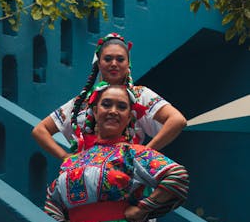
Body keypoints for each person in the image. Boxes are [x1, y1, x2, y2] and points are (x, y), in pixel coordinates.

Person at [44, 83, 189, 222]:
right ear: (95, 111)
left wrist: (142, 209)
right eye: (106, 104)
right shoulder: (73, 162)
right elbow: (53, 200)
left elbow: (177, 176)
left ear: (129, 117)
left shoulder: (133, 154)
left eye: (121, 107)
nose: (113, 111)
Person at [32, 32, 187, 159]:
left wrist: (144, 153)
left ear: (128, 65)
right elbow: (40, 130)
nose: (114, 63)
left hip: (127, 179)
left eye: (120, 59)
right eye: (108, 59)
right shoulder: (82, 101)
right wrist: (65, 157)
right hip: (84, 181)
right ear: (99, 64)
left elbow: (177, 120)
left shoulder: (140, 96)